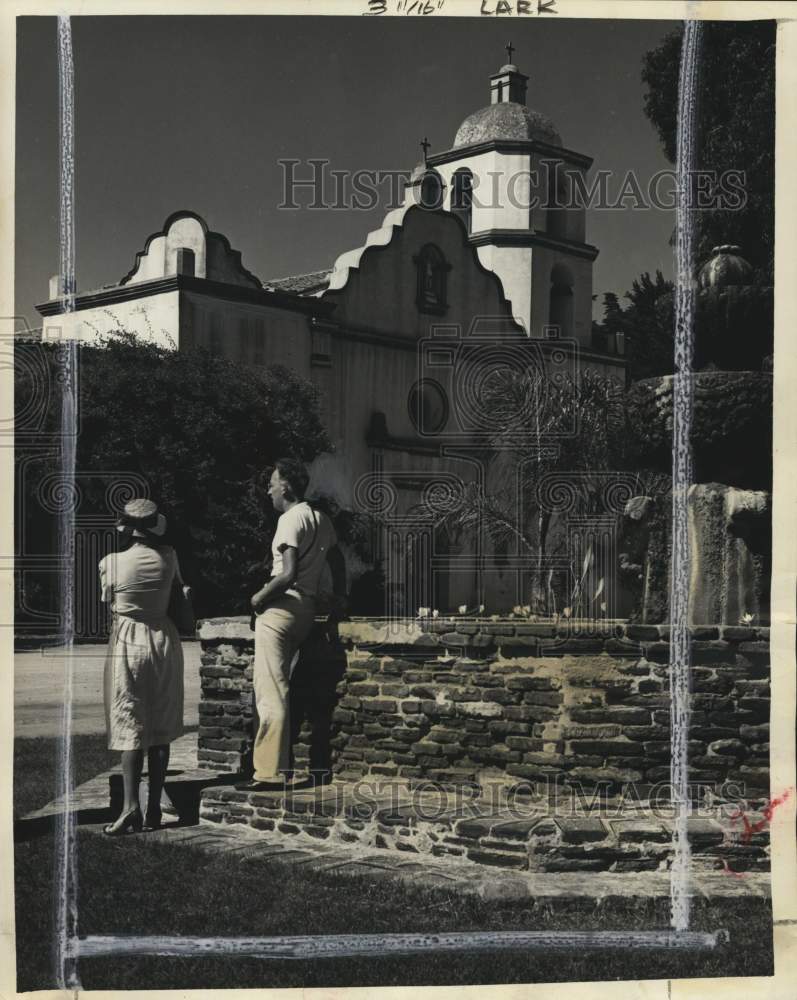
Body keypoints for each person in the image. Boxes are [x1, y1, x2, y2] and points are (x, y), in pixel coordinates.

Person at [238, 458, 346, 792]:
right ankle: (277, 765)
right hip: (306, 609)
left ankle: (269, 772)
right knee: (282, 686)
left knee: (270, 690)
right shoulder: (320, 518)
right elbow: (338, 561)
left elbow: (286, 574)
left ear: (285, 485)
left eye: (272, 482)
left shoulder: (289, 519)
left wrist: (258, 598)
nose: (269, 489)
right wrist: (338, 599)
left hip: (281, 610)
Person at [99, 498, 187, 835]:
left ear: (127, 529)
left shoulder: (112, 562)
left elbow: (113, 605)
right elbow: (176, 597)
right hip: (163, 637)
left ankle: (130, 806)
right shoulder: (169, 557)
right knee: (160, 722)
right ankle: (153, 808)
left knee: (130, 719)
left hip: (129, 639)